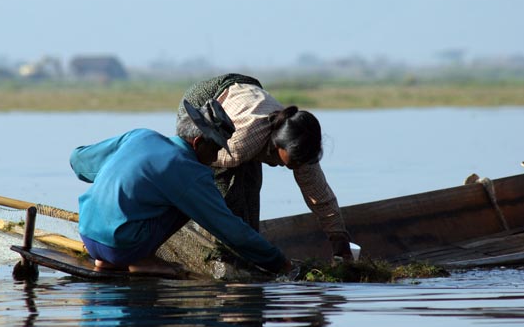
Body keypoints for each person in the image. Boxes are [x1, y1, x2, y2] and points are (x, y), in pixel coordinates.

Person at [70, 98, 291, 276]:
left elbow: (78, 160)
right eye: (215, 148)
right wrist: (279, 263)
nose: (216, 157)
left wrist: (119, 173)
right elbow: (230, 229)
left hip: (88, 234)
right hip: (123, 248)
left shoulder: (140, 136)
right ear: (197, 143)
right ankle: (142, 260)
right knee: (190, 202)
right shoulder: (189, 172)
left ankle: (107, 261)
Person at [178, 73, 353, 260]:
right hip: (204, 103)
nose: (286, 168)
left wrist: (339, 241)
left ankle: (250, 255)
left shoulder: (299, 141)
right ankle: (219, 254)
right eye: (286, 163)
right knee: (227, 194)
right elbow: (193, 160)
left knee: (250, 191)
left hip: (245, 100)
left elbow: (320, 195)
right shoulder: (238, 147)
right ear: (275, 145)